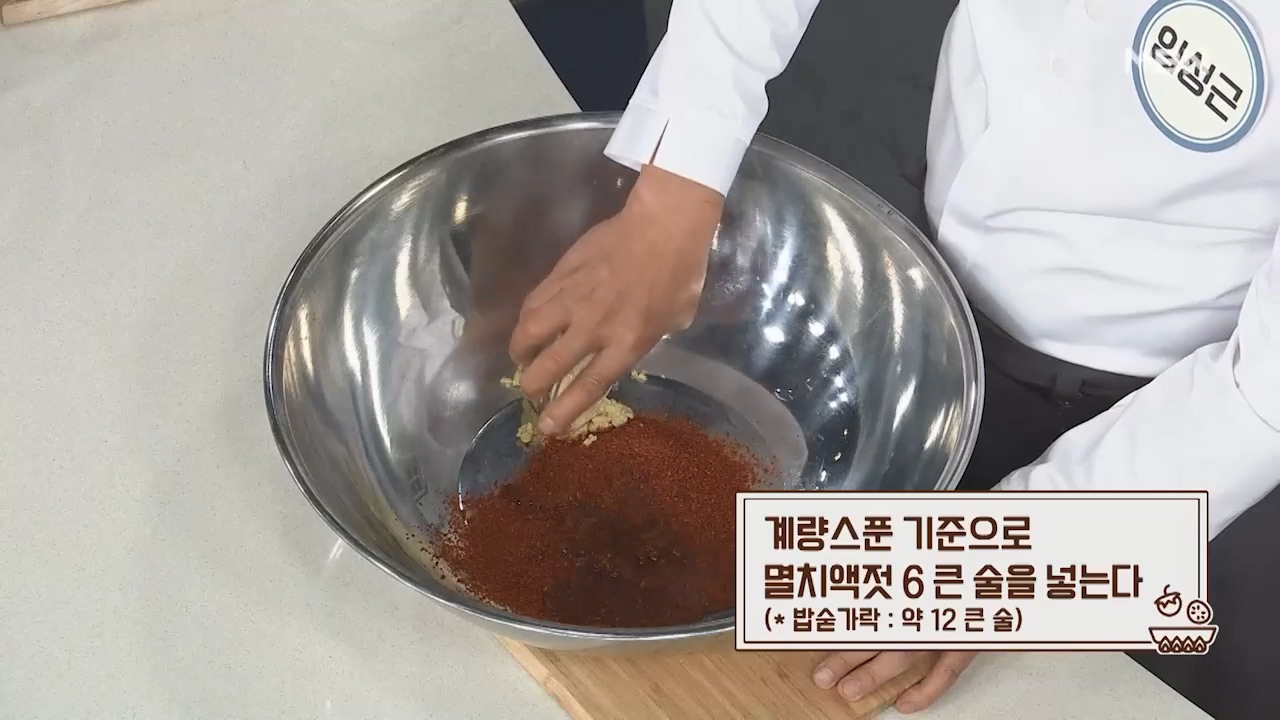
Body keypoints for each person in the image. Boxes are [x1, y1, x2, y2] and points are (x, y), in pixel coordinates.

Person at [508, 0, 1280, 716]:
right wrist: (675, 186)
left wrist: (1019, 561)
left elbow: (1261, 396)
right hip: (938, 275)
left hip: (1185, 425)